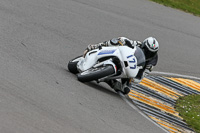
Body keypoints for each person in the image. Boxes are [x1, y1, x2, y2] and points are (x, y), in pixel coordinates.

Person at [83, 37, 159, 94]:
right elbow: (126, 42)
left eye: (152, 53)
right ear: (143, 45)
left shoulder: (153, 61)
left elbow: (142, 76)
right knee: (118, 40)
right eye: (147, 50)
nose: (148, 54)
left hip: (131, 70)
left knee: (125, 89)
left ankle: (109, 79)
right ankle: (96, 47)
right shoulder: (137, 44)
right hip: (123, 57)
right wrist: (123, 41)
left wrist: (132, 78)